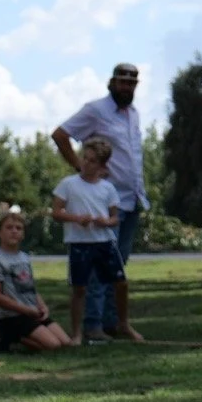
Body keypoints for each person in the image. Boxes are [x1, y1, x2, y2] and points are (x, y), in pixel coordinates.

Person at [51, 63, 146, 341]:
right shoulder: (95, 110)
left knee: (116, 266)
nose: (126, 88)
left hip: (130, 199)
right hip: (100, 200)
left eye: (132, 84)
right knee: (97, 265)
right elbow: (60, 134)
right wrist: (81, 166)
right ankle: (92, 324)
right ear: (111, 83)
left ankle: (112, 322)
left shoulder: (134, 114)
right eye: (122, 83)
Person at [52, 138, 127, 345]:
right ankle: (77, 333)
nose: (86, 163)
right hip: (80, 244)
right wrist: (76, 219)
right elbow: (56, 212)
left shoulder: (107, 188)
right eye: (85, 157)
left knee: (120, 283)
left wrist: (106, 222)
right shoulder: (68, 184)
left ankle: (124, 324)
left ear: (102, 165)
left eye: (92, 161)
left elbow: (115, 218)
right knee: (80, 288)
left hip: (104, 242)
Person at [0, 208, 70, 353]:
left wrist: (42, 307)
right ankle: (5, 337)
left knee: (66, 343)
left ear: (23, 234)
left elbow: (30, 288)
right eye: (9, 228)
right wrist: (25, 309)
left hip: (31, 312)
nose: (14, 231)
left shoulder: (24, 257)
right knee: (53, 346)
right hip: (12, 316)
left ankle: (21, 337)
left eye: (19, 228)